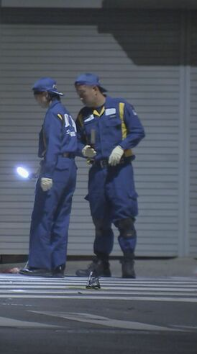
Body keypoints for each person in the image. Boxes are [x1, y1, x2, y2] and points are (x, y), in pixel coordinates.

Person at [74, 73, 145, 278]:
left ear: (95, 89)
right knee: (100, 221)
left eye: (83, 93)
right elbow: (77, 140)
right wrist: (83, 150)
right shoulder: (83, 115)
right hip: (98, 171)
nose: (81, 98)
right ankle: (102, 263)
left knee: (125, 218)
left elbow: (137, 132)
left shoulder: (121, 107)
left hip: (120, 170)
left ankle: (128, 262)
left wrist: (122, 148)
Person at [19, 78, 77, 278]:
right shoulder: (65, 113)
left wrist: (47, 173)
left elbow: (53, 145)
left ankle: (40, 264)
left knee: (43, 216)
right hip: (70, 167)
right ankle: (57, 263)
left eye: (37, 96)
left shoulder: (52, 115)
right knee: (61, 217)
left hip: (56, 167)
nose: (37, 101)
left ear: (44, 95)